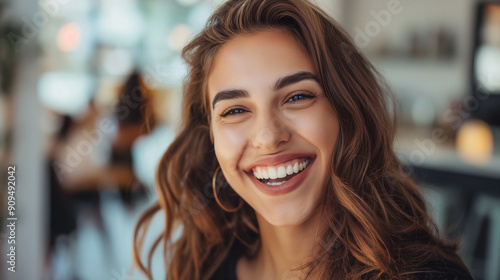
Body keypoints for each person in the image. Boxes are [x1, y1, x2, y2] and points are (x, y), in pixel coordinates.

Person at [133, 0, 474, 279]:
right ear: (209, 136)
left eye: (297, 97)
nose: (267, 137)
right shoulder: (202, 269)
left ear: (346, 110)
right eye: (235, 110)